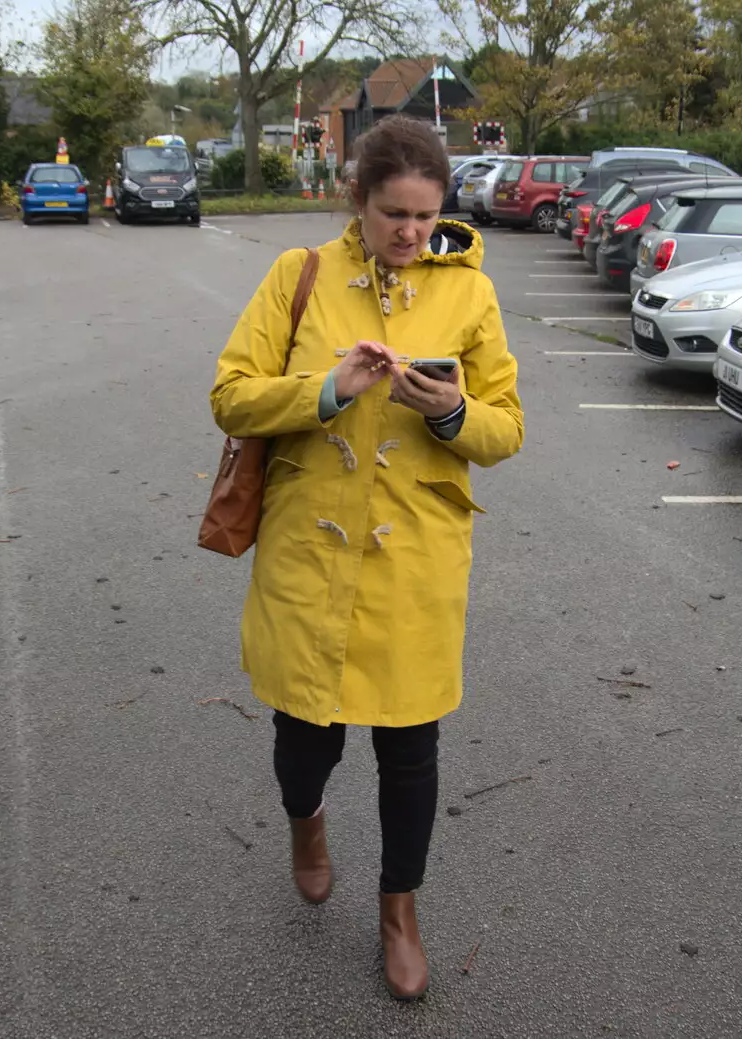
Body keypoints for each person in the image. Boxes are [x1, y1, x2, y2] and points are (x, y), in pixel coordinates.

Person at [209, 116, 523, 1000]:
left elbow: (507, 427)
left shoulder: (470, 294)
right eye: (394, 214)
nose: (411, 235)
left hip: (414, 560)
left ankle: (399, 909)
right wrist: (326, 390)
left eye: (426, 217)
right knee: (305, 736)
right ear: (357, 199)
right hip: (311, 555)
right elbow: (230, 396)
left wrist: (450, 413)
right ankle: (305, 822)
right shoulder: (296, 277)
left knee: (410, 748)